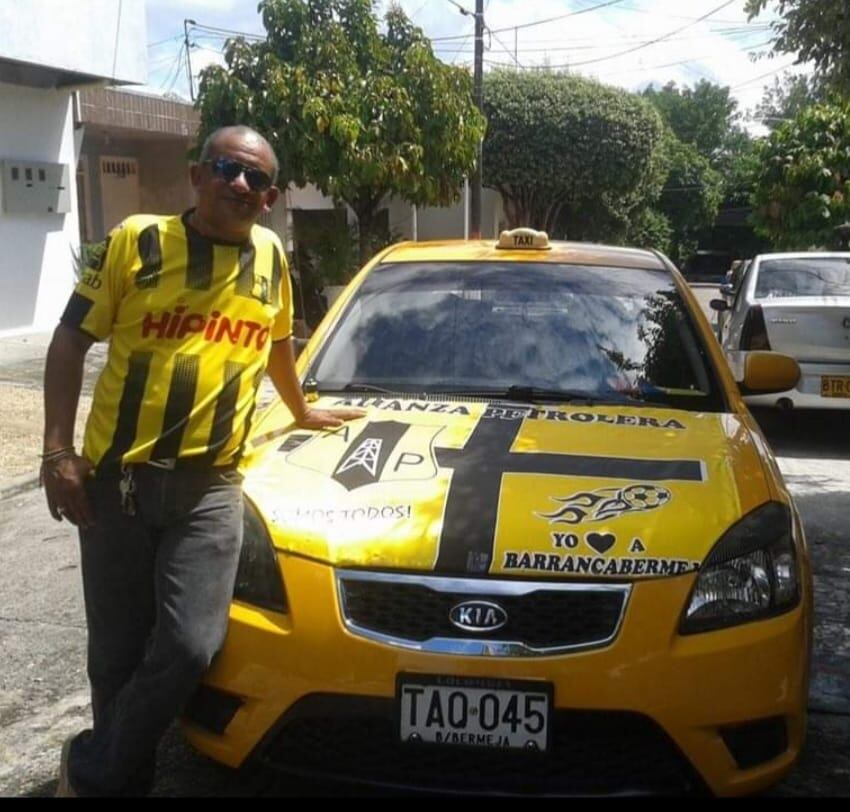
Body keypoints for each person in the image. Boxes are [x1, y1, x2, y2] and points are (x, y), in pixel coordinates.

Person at [42, 125, 363, 796]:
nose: (240, 185)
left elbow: (278, 342)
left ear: (271, 198)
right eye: (227, 169)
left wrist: (300, 411)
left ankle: (95, 768)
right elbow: (71, 339)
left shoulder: (272, 256)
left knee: (191, 644)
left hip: (211, 488)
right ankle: (121, 784)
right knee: (116, 655)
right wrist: (57, 452)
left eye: (256, 180)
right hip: (115, 484)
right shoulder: (137, 242)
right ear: (197, 175)